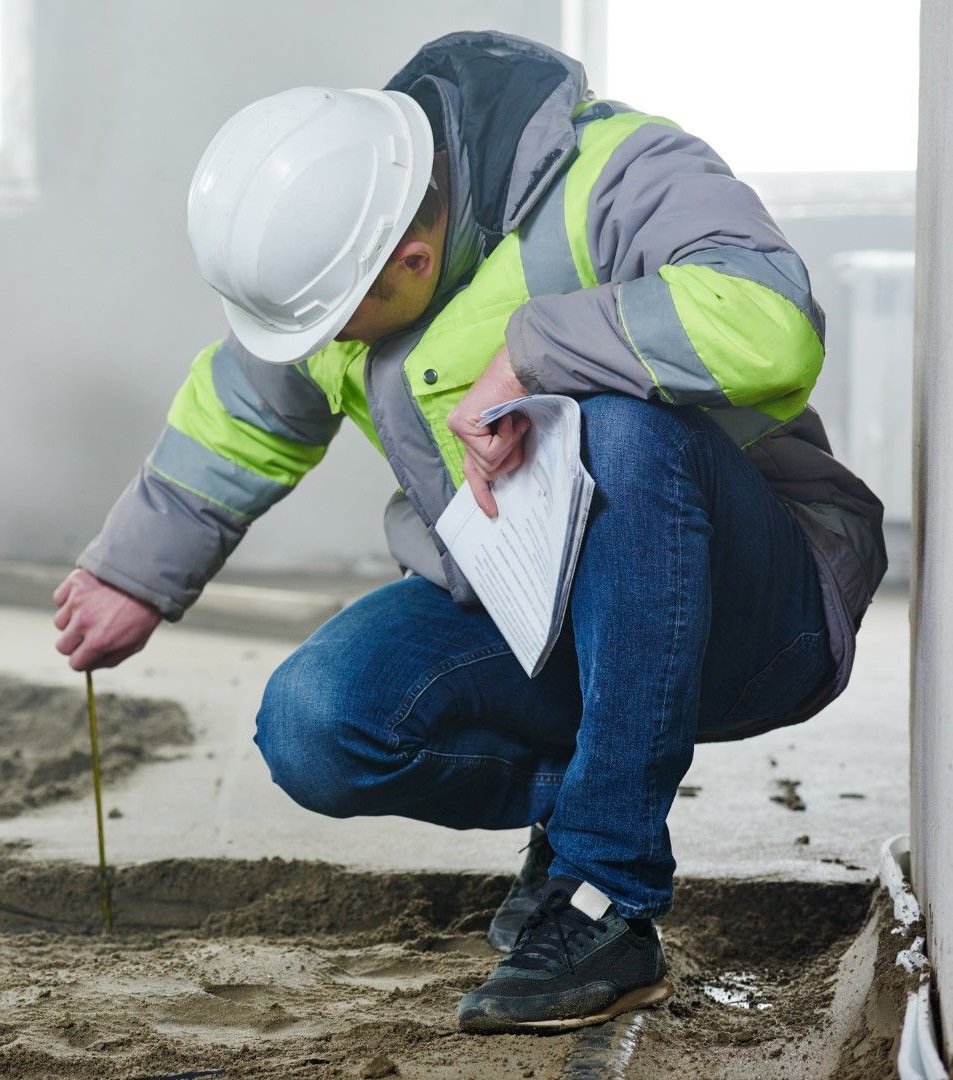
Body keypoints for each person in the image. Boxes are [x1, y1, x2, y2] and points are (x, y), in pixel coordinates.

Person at [53, 32, 886, 1034]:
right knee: (318, 723)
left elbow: (770, 319)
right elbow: (243, 408)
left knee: (614, 426)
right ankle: (588, 795)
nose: (324, 348)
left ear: (409, 257)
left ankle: (603, 893)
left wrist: (537, 353)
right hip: (541, 607)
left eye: (337, 323)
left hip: (757, 612)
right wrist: (134, 575)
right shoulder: (343, 259)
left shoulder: (616, 172)